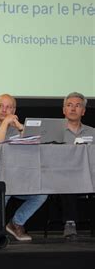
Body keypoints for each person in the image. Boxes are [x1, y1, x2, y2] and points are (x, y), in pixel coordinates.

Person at [0, 94, 47, 241]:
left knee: (42, 193)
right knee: (4, 188)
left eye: (8, 107)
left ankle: (16, 224)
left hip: (16, 175)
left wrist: (20, 127)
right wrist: (6, 123)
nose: (3, 110)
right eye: (0, 106)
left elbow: (38, 145)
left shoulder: (16, 127)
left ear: (14, 109)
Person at [59, 92, 95, 239]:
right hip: (62, 175)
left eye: (78, 105)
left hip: (89, 173)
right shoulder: (53, 131)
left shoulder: (93, 132)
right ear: (64, 110)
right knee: (67, 180)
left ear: (84, 111)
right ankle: (70, 223)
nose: (73, 109)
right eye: (69, 105)